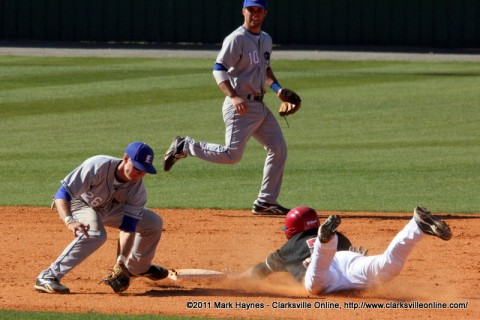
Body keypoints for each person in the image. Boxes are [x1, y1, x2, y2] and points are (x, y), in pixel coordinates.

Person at [163, 0, 301, 215]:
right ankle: (184, 146)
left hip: (260, 106)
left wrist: (278, 90)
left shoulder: (265, 39)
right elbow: (218, 69)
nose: (254, 14)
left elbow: (264, 68)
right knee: (232, 155)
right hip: (241, 106)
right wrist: (234, 96)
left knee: (279, 148)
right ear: (243, 11)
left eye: (259, 10)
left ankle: (266, 202)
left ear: (265, 13)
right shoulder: (236, 39)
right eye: (251, 9)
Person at [34, 142, 168, 294]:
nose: (139, 174)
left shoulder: (137, 190)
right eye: (137, 168)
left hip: (108, 207)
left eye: (144, 171)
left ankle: (137, 268)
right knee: (96, 235)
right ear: (125, 158)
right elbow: (62, 194)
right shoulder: (97, 165)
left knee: (153, 223)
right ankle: (48, 277)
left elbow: (128, 228)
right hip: (80, 203)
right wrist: (69, 220)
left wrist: (120, 261)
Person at [232, 206, 452, 295]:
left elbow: (258, 272)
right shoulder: (343, 238)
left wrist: (234, 278)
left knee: (315, 285)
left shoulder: (288, 248)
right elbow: (345, 258)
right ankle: (415, 227)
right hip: (347, 260)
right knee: (387, 267)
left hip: (323, 271)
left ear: (292, 229)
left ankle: (323, 243)